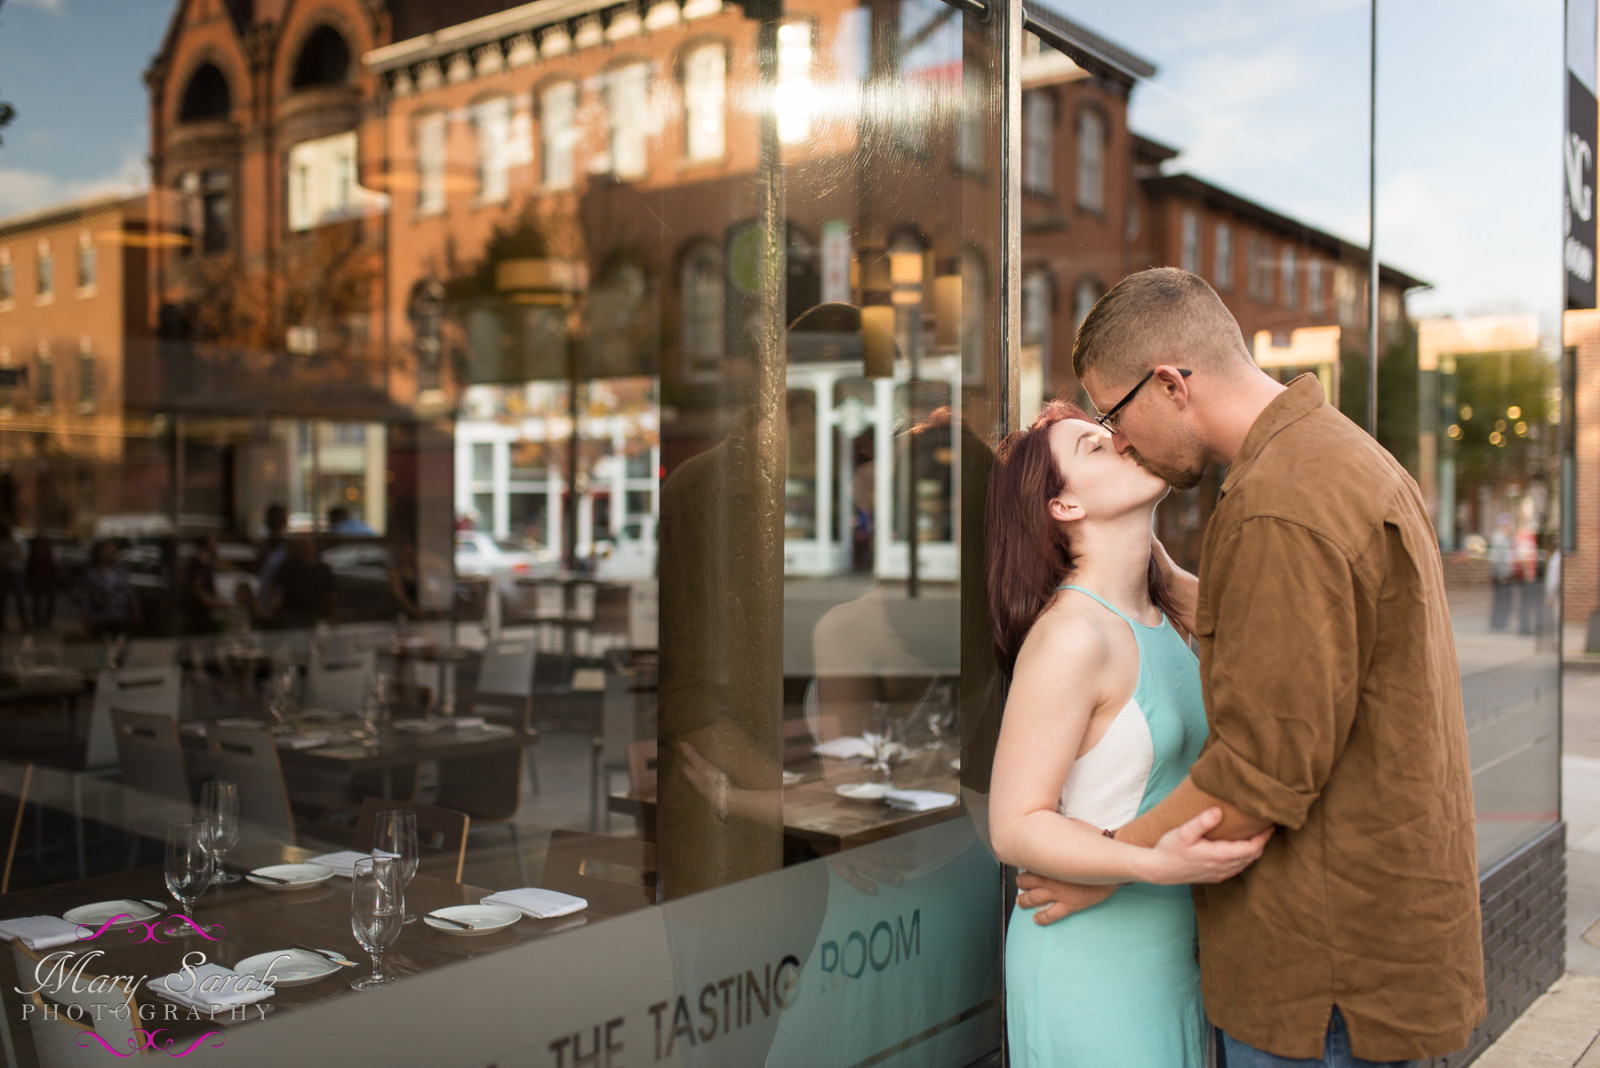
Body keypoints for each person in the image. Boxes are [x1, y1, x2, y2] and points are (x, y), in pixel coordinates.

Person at [1020, 268, 1485, 1067]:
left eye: (1114, 415)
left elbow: (1260, 773)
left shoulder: (1281, 504)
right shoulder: (1334, 457)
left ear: (1169, 384)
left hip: (1322, 978)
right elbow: (1300, 636)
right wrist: (1148, 574)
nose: (1121, 440)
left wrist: (1113, 869)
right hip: (1367, 956)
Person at [986, 399, 1270, 1066]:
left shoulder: (1167, 612)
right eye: (1092, 447)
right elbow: (1013, 825)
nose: (1120, 442)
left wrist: (1159, 570)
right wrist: (1147, 863)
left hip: (1172, 955)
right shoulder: (1070, 636)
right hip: (1088, 965)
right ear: (1064, 507)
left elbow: (1264, 644)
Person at [76, 539, 138, 641]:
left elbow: (129, 592)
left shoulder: (119, 571)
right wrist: (85, 619)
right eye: (106, 552)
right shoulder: (91, 574)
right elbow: (85, 599)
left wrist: (135, 610)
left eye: (111, 552)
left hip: (119, 618)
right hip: (99, 619)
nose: (109, 555)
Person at [24, 533, 57, 630]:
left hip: (47, 579)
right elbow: (30, 567)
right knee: (37, 601)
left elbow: (52, 566)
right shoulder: (34, 553)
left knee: (50, 599)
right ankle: (37, 620)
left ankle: (46, 620)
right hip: (37, 579)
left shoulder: (48, 552)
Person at [0, 523, 30, 631]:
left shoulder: (17, 539)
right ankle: (2, 622)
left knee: (20, 597)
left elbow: (20, 555)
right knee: (3, 598)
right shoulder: (3, 541)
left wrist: (13, 547)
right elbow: (3, 560)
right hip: (5, 571)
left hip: (16, 570)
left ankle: (25, 622)